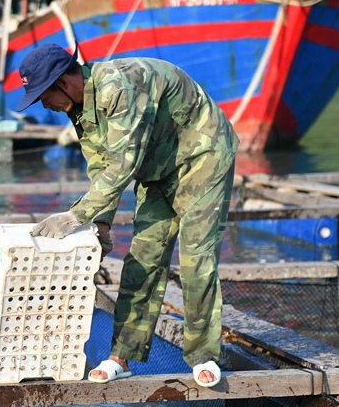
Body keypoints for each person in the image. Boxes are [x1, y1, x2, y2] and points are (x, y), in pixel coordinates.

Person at [16, 44, 238, 387]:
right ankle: (122, 356)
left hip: (202, 158)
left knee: (197, 259)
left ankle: (203, 355)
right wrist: (100, 224)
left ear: (64, 81)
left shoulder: (119, 87)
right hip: (158, 168)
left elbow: (123, 163)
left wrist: (75, 216)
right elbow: (100, 165)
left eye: (44, 95)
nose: (45, 105)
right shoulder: (78, 108)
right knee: (141, 261)